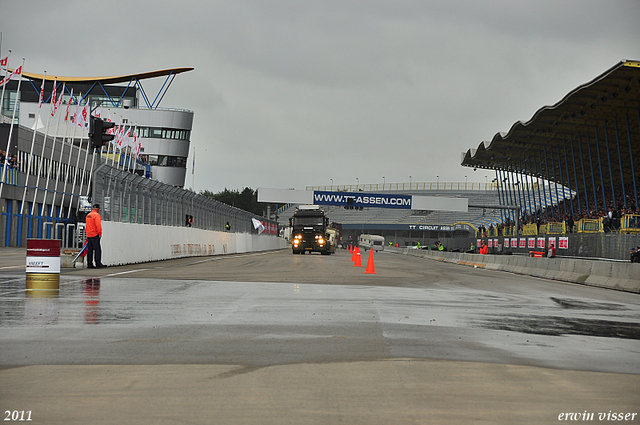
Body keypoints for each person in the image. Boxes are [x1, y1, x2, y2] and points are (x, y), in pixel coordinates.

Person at [85, 204, 106, 268]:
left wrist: (87, 233)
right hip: (95, 234)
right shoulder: (96, 215)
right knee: (97, 249)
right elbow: (98, 225)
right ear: (98, 208)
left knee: (90, 250)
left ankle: (89, 264)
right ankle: (98, 263)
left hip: (89, 234)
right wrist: (100, 233)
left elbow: (87, 225)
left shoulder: (88, 215)